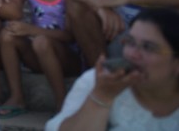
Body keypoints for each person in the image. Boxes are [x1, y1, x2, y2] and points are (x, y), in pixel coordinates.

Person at [45, 8, 179, 130]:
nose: (133, 54)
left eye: (148, 47)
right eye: (130, 42)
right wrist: (101, 96)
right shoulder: (96, 81)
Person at [0, 0, 81, 118]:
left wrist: (31, 30)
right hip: (38, 55)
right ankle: (17, 96)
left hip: (68, 58)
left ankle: (61, 104)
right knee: (7, 35)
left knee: (41, 41)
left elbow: (70, 36)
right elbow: (13, 9)